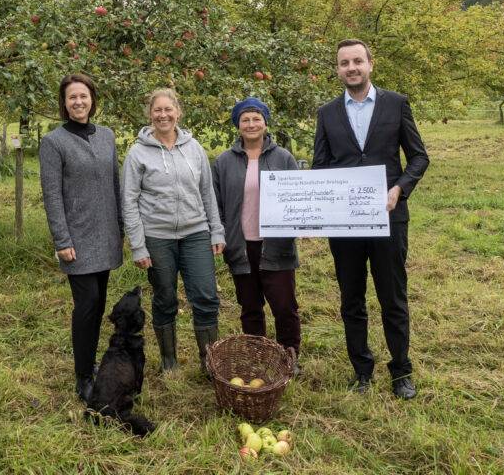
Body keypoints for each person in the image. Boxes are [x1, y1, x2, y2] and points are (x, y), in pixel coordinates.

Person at [313, 39, 429, 399]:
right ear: (338, 70)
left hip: (389, 219)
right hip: (345, 224)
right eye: (344, 63)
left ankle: (401, 372)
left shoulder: (396, 104)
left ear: (370, 64)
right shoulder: (327, 113)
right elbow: (320, 166)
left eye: (357, 61)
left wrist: (400, 188)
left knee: (393, 297)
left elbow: (419, 157)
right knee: (351, 299)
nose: (351, 68)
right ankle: (361, 371)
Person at [122, 88, 225, 376]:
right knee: (165, 297)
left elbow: (207, 192)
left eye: (168, 109)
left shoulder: (194, 148)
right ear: (150, 114)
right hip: (157, 237)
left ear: (178, 112)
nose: (163, 115)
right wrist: (138, 245)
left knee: (205, 297)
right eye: (157, 110)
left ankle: (209, 363)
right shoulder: (137, 153)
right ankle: (169, 361)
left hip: (196, 233)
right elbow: (129, 201)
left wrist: (216, 230)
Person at [39, 73, 123, 404]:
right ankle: (83, 376)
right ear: (64, 103)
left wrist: (120, 228)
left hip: (106, 234)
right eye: (72, 97)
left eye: (83, 96)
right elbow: (52, 195)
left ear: (92, 100)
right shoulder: (53, 142)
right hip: (77, 238)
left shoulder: (106, 136)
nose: (78, 102)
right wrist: (62, 240)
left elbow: (115, 184)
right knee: (86, 305)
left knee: (99, 303)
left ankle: (91, 361)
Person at [212, 98, 301, 369]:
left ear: (265, 122)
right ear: (237, 125)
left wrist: (303, 224)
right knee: (250, 307)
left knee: (284, 306)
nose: (251, 124)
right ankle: (257, 357)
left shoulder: (283, 158)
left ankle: (289, 358)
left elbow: (299, 197)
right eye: (245, 120)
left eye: (256, 119)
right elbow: (216, 205)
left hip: (275, 245)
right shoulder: (224, 162)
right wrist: (221, 236)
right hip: (241, 245)